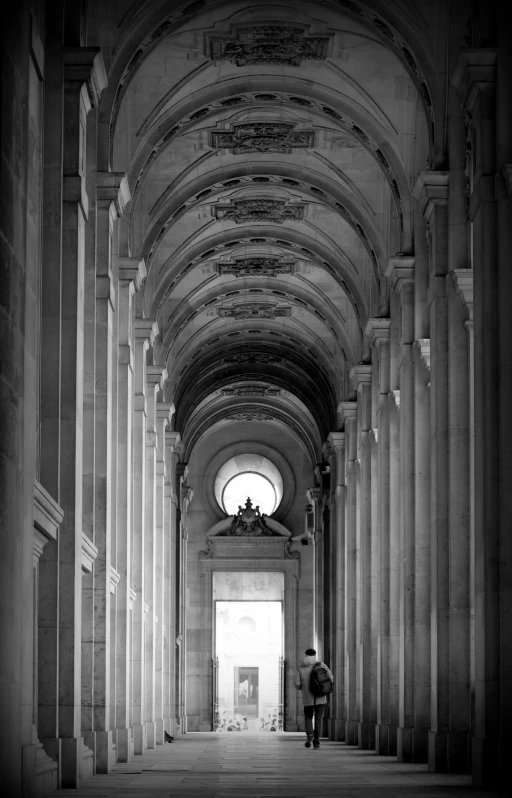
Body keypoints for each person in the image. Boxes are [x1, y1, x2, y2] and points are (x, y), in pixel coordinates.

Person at [294, 647, 333, 749]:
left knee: (308, 717)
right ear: (315, 655)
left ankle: (309, 736)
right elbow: (331, 679)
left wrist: (304, 686)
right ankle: (316, 742)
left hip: (307, 698)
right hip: (320, 697)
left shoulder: (301, 667)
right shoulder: (321, 665)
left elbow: (297, 684)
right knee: (318, 719)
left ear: (306, 655)